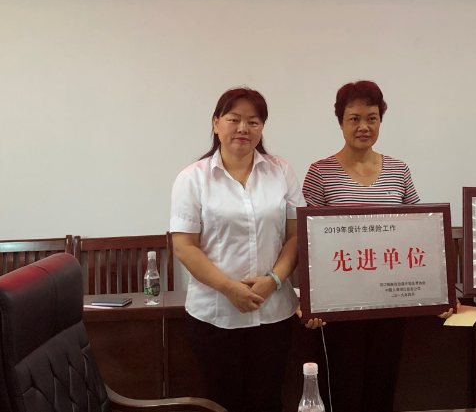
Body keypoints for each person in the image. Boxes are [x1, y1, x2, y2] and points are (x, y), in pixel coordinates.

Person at [302, 80, 454, 412]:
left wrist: (440, 291)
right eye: (354, 118)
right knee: (343, 390)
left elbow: (419, 232)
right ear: (340, 122)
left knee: (382, 388)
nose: (364, 127)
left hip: (391, 301)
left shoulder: (399, 170)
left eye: (372, 118)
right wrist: (312, 302)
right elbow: (310, 244)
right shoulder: (320, 173)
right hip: (340, 306)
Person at [170, 87, 313, 412]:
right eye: (233, 119)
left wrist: (274, 280)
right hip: (215, 315)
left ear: (262, 127)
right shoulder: (193, 179)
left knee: (268, 400)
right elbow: (185, 246)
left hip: (273, 312)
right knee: (223, 402)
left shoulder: (281, 172)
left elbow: (295, 236)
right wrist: (228, 288)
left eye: (253, 121)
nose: (243, 129)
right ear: (216, 123)